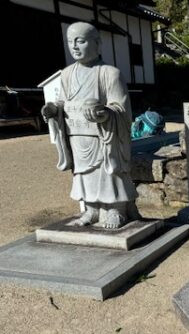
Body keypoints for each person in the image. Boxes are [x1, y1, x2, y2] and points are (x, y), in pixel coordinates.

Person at [41, 22, 139, 229]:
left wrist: (104, 113)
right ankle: (92, 209)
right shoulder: (67, 74)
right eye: (70, 42)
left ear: (97, 44)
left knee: (108, 173)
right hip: (78, 135)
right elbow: (64, 102)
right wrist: (53, 109)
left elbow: (121, 110)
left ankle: (115, 209)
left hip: (104, 138)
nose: (75, 47)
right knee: (84, 174)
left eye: (81, 41)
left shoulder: (109, 73)